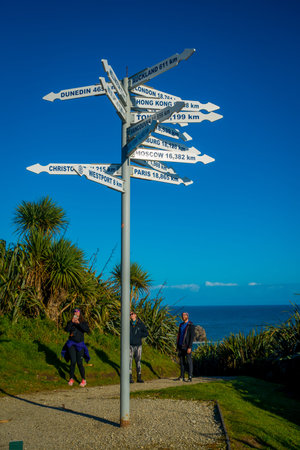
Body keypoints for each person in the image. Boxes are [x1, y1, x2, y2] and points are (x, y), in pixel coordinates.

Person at [61, 308, 90, 387]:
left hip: (80, 345)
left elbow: (87, 330)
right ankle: (71, 378)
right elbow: (66, 329)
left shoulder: (83, 322)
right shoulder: (71, 322)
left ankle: (83, 379)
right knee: (73, 361)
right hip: (71, 344)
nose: (76, 313)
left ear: (80, 313)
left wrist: (79, 323)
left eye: (77, 312)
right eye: (74, 312)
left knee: (79, 363)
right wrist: (71, 322)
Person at [130, 311, 148, 383]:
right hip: (130, 345)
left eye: (132, 314)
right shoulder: (128, 324)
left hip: (138, 345)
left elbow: (146, 333)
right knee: (129, 361)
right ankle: (130, 377)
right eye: (130, 314)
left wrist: (139, 334)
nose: (131, 315)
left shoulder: (140, 324)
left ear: (135, 315)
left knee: (138, 361)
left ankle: (139, 377)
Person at [176, 312, 195, 382]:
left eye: (184, 315)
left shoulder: (191, 325)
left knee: (189, 361)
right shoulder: (181, 325)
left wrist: (190, 347)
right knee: (181, 362)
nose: (183, 316)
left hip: (187, 346)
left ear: (187, 316)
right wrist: (177, 346)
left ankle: (190, 376)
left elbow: (192, 337)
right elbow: (179, 335)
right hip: (180, 346)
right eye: (182, 315)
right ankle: (182, 376)